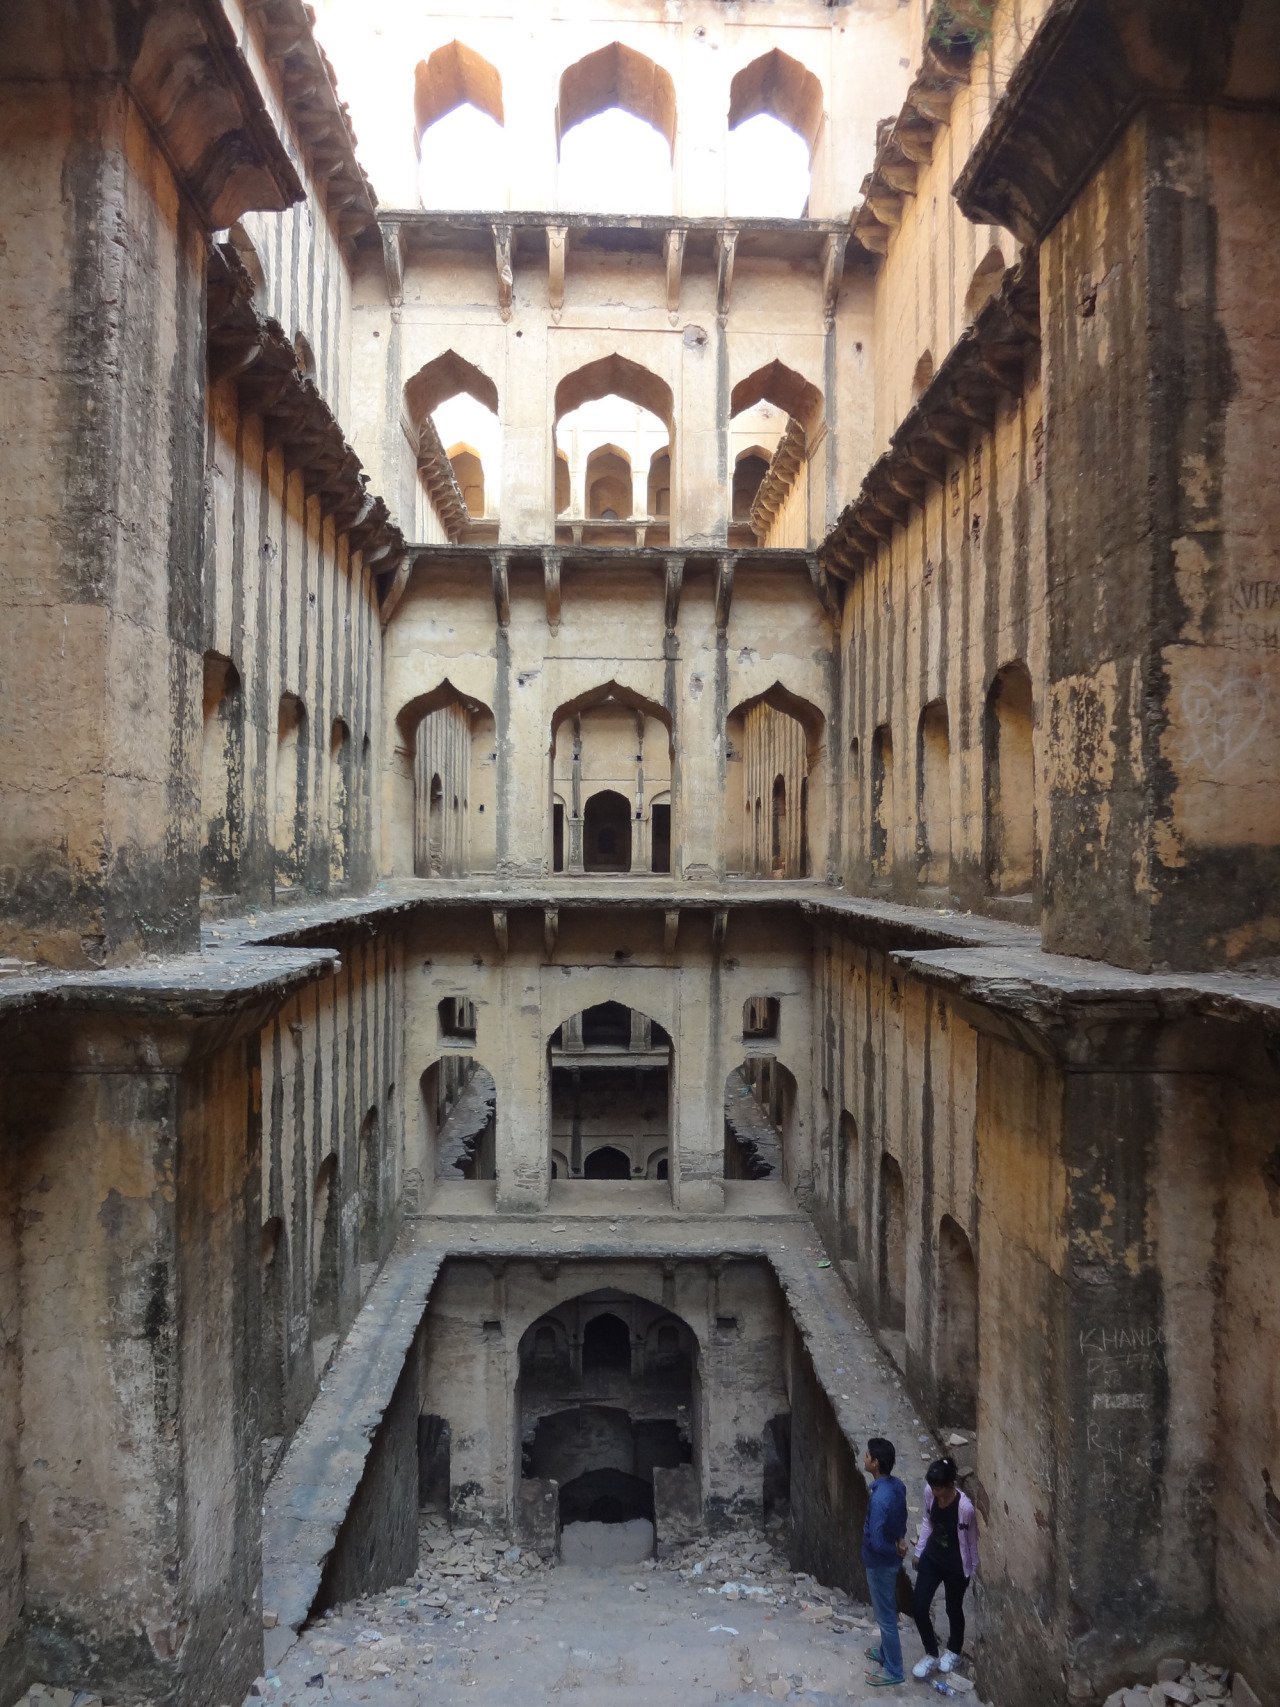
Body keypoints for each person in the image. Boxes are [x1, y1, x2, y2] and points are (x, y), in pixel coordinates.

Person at [910, 1456, 978, 1679]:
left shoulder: (964, 1508)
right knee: (919, 1606)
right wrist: (919, 1552)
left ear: (950, 1485)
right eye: (932, 1486)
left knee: (953, 1608)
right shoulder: (930, 1494)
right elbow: (928, 1521)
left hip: (955, 1565)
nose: (934, 1491)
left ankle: (954, 1650)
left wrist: (971, 1570)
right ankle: (931, 1652)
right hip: (932, 1557)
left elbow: (971, 1541)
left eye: (938, 1487)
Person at [860, 1436, 908, 1688]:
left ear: (876, 1463)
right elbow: (902, 1516)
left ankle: (893, 1668)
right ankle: (884, 1653)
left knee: (885, 1616)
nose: (864, 1459)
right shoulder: (897, 1486)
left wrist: (894, 1549)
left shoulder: (879, 1500)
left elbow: (877, 1542)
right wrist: (900, 1540)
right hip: (889, 1559)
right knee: (885, 1608)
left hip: (880, 1562)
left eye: (867, 1456)